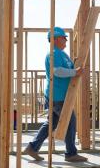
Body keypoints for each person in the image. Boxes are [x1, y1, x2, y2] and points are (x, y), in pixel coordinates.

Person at [24, 27, 87, 162]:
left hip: (61, 96)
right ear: (56, 38)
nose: (65, 40)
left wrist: (75, 66)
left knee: (51, 123)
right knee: (70, 121)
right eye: (64, 37)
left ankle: (32, 147)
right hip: (57, 96)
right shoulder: (53, 54)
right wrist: (75, 72)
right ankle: (70, 153)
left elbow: (68, 69)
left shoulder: (62, 54)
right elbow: (57, 71)